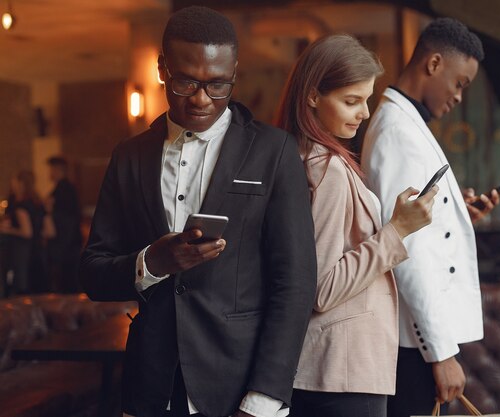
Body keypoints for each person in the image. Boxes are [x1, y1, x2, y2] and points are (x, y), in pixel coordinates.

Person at [79, 7, 317, 417]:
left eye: (218, 84)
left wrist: (265, 397)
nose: (203, 98)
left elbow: (294, 284)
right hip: (150, 387)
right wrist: (152, 261)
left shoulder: (273, 152)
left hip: (239, 386)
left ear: (234, 72)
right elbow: (93, 273)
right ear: (161, 69)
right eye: (186, 82)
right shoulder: (129, 156)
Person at [275, 34, 438, 417]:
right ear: (313, 96)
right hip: (341, 372)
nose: (365, 112)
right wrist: (397, 229)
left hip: (330, 368)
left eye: (366, 99)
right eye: (352, 101)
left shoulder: (298, 157)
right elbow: (322, 286)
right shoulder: (327, 169)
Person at [361, 18, 500, 416]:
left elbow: (418, 227)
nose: (459, 96)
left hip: (414, 341)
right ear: (434, 63)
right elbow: (407, 249)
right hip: (412, 345)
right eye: (460, 83)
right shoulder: (397, 132)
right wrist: (441, 354)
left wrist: (455, 214)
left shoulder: (406, 123)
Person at [0, 171, 53, 294]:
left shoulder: (21, 206)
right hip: (39, 252)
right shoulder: (39, 204)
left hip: (23, 253)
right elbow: (50, 231)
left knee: (22, 289)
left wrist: (6, 230)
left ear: (21, 184)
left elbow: (27, 232)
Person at [46, 156, 82, 293]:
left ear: (58, 170)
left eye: (51, 169)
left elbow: (66, 220)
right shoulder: (64, 188)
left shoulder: (64, 189)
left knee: (66, 281)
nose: (49, 173)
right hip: (67, 243)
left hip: (65, 245)